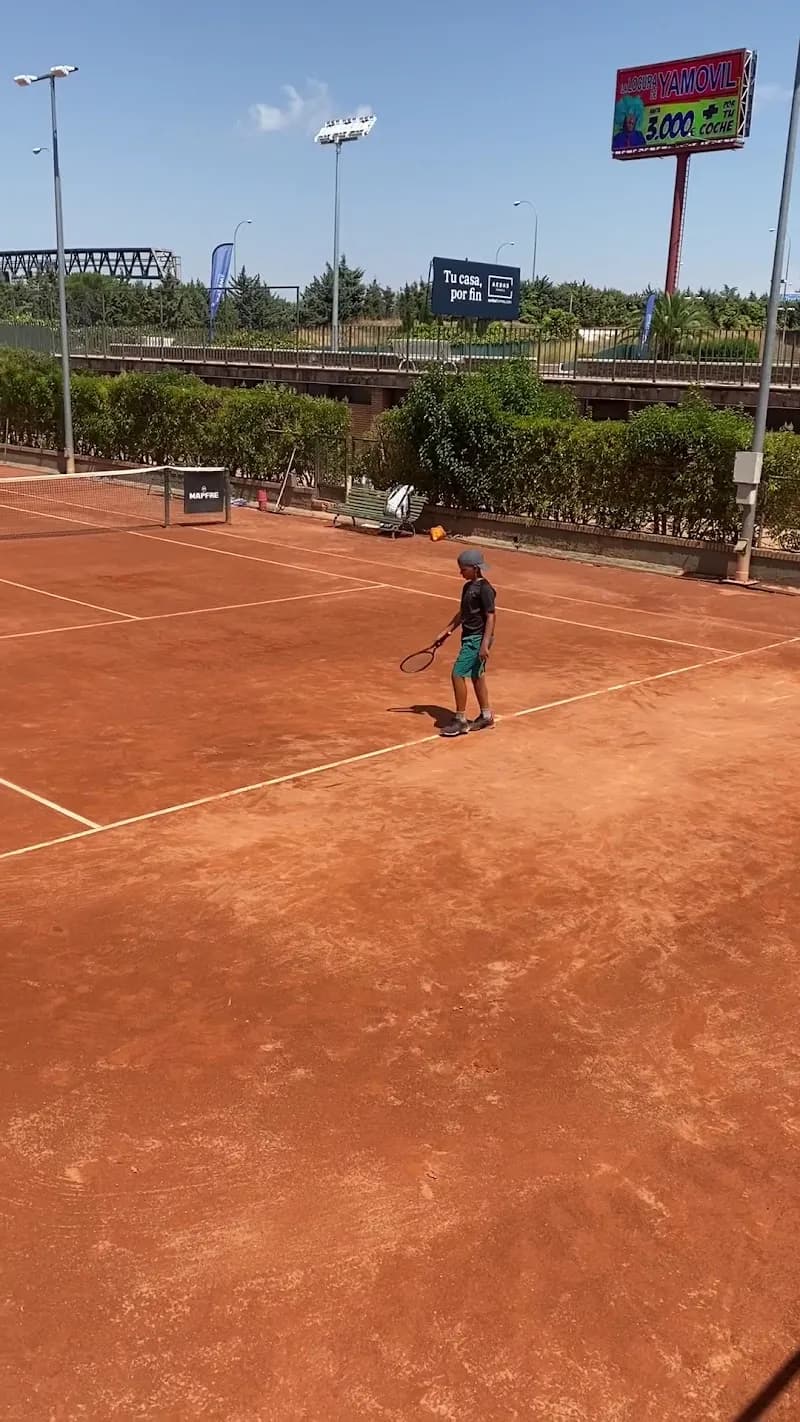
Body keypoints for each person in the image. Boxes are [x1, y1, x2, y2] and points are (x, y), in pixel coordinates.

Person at [436, 549, 496, 738]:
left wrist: (485, 644)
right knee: (477, 675)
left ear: (475, 569)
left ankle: (461, 721)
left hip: (477, 639)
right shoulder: (467, 587)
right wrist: (447, 631)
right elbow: (463, 613)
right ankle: (486, 716)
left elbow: (491, 616)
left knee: (457, 674)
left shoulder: (485, 589)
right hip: (469, 636)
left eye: (463, 569)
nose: (460, 572)